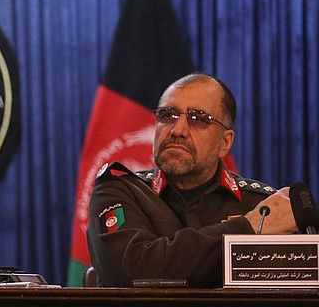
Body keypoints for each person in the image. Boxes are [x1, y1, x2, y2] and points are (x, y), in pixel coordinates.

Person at [87, 72, 297, 287]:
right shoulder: (118, 191)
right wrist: (247, 229)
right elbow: (134, 273)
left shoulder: (258, 204)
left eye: (198, 119)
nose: (178, 130)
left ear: (225, 143)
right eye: (168, 115)